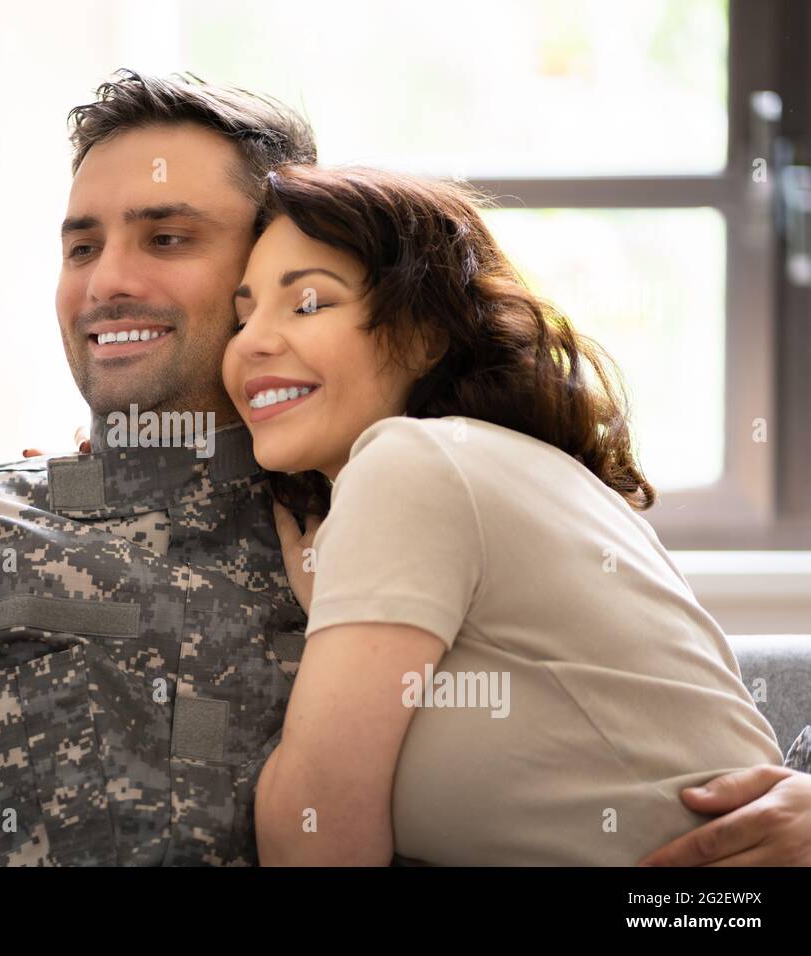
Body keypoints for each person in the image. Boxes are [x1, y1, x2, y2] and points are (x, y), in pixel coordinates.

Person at [0, 69, 811, 867]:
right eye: (81, 243)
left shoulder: (415, 498)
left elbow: (662, 693)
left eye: (167, 237)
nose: (107, 280)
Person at [235, 163, 799, 865]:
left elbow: (315, 838)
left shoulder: (410, 462)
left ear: (422, 335)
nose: (250, 342)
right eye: (241, 314)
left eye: (308, 303)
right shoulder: (494, 468)